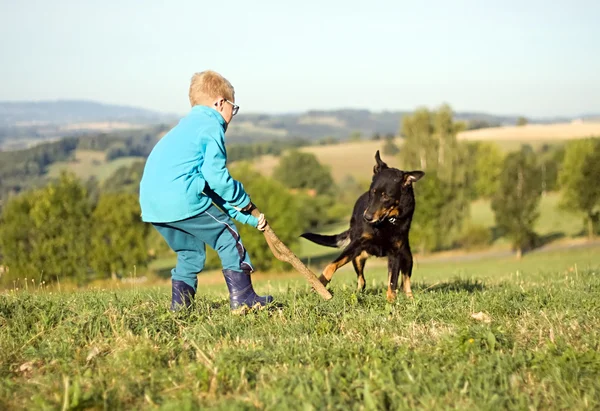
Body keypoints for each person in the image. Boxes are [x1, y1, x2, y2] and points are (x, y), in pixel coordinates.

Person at [139, 70, 273, 312]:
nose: (233, 113)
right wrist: (243, 201)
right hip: (181, 199)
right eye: (234, 107)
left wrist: (249, 218)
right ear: (220, 103)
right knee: (227, 237)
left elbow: (208, 186)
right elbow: (218, 179)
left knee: (189, 252)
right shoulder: (211, 126)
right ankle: (243, 299)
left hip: (153, 205)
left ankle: (180, 309)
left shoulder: (185, 128)